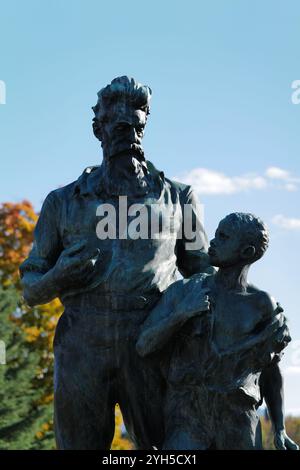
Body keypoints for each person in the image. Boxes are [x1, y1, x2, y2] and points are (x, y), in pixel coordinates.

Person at [19, 76, 211, 449]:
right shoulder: (63, 202)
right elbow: (30, 290)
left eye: (138, 127)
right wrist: (58, 276)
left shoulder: (179, 197)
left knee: (162, 451)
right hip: (82, 346)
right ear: (99, 130)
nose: (131, 136)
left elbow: (204, 274)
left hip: (153, 341)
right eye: (120, 127)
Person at [137, 213, 299, 450]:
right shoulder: (186, 291)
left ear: (246, 252)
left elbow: (270, 371)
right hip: (188, 416)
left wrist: (279, 428)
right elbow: (144, 345)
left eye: (223, 237)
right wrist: (181, 314)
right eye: (215, 234)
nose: (212, 242)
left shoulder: (262, 305)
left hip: (238, 420)